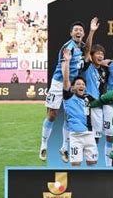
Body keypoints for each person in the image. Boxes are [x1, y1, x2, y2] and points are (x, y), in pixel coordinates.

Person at [39, 18, 97, 162]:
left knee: (69, 115)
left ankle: (64, 148)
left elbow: (88, 50)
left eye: (80, 30)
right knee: (52, 114)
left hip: (72, 84)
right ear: (71, 33)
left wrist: (92, 31)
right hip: (60, 83)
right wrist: (67, 85)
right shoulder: (68, 47)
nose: (78, 32)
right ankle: (44, 145)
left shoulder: (81, 46)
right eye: (76, 30)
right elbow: (65, 66)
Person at [62, 49, 98, 167]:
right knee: (76, 164)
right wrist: (67, 61)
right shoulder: (69, 96)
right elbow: (66, 80)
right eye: (78, 84)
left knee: (92, 163)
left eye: (83, 84)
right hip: (76, 136)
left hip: (89, 134)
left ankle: (90, 185)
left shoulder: (88, 98)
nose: (81, 85)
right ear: (73, 87)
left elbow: (103, 101)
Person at [79, 18, 108, 143]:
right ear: (92, 55)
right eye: (98, 53)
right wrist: (91, 31)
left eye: (102, 54)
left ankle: (92, 160)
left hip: (98, 105)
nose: (100, 56)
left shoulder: (103, 70)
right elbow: (87, 50)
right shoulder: (88, 66)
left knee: (96, 138)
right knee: (86, 135)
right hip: (87, 104)